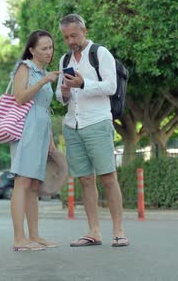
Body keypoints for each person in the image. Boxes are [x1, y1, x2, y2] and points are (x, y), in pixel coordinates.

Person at [55, 13, 129, 248]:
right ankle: (93, 231)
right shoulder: (65, 59)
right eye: (66, 37)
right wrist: (65, 92)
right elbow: (60, 95)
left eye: (74, 35)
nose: (70, 41)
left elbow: (111, 86)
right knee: (85, 180)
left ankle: (118, 231)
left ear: (84, 31)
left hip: (97, 122)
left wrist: (82, 83)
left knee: (108, 177)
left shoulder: (100, 53)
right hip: (72, 125)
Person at [10, 29, 60, 251]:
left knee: (34, 184)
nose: (49, 52)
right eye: (44, 48)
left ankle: (35, 235)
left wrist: (50, 140)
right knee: (22, 181)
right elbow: (19, 97)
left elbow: (45, 108)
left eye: (50, 47)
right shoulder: (25, 67)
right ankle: (19, 238)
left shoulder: (44, 71)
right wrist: (42, 82)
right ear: (32, 50)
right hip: (27, 127)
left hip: (42, 128)